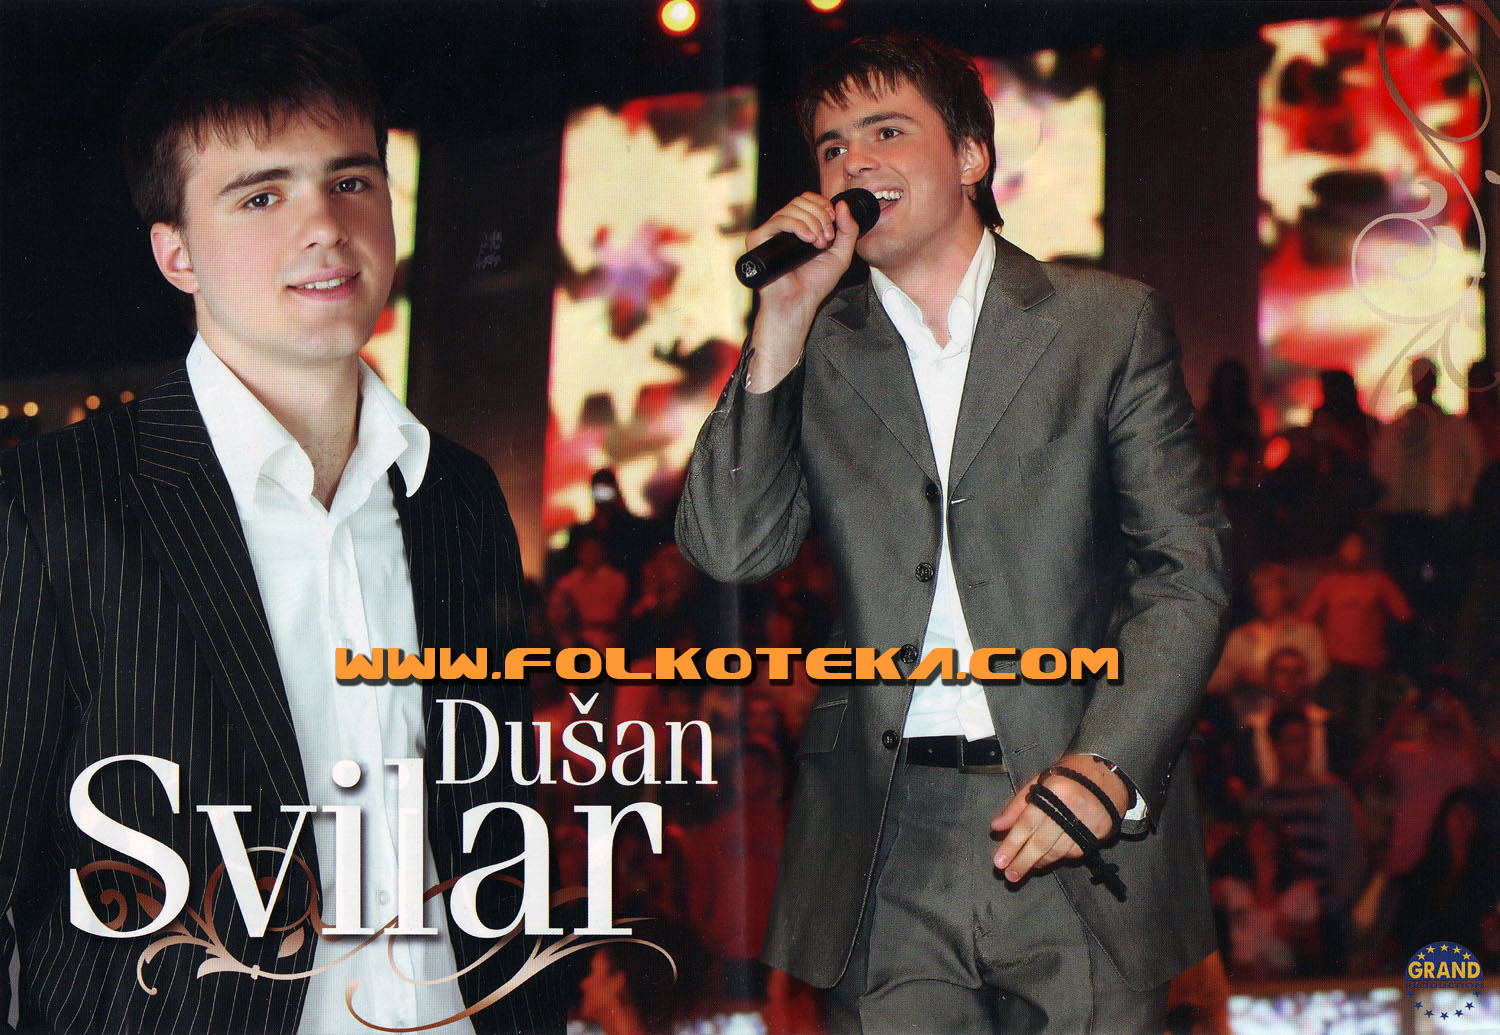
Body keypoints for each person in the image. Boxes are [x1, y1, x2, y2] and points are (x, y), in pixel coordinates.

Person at [0, 10, 561, 1034]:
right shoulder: (53, 508)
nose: (325, 227)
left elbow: (497, 827)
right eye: (262, 195)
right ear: (176, 253)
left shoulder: (459, 496)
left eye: (350, 181)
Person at [675, 31, 1230, 1033]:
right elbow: (730, 546)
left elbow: (1184, 570)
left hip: (1075, 810)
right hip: (885, 839)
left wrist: (1105, 767)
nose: (853, 163)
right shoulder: (815, 348)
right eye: (833, 146)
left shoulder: (1105, 324)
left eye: (886, 132)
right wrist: (781, 323)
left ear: (972, 154)